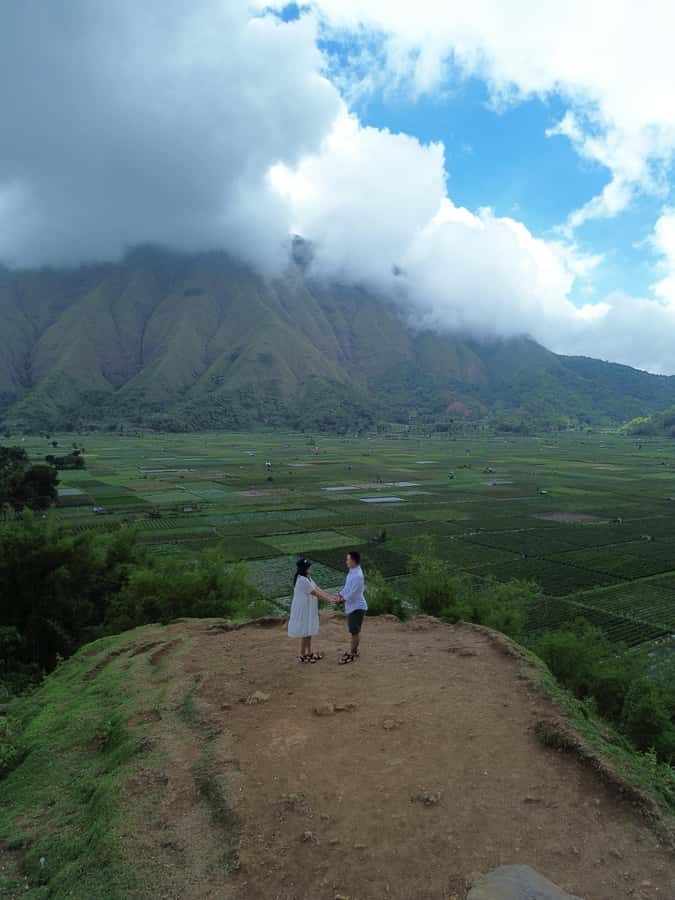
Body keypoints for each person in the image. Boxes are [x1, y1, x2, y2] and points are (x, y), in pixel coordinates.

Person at [288, 557, 338, 663]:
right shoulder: (302, 580)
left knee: (308, 630)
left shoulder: (307, 578)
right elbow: (315, 593)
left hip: (308, 607)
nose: (310, 567)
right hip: (304, 608)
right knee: (305, 630)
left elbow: (317, 588)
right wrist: (330, 599)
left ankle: (309, 652)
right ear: (304, 568)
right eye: (308, 566)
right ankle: (302, 654)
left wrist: (330, 596)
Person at [337, 550, 367, 665]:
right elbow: (347, 587)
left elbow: (354, 593)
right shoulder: (352, 571)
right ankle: (353, 651)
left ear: (353, 561)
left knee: (355, 632)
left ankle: (353, 653)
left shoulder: (358, 575)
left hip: (357, 607)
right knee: (353, 631)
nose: (346, 562)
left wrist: (342, 599)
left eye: (348, 559)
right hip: (353, 606)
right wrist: (340, 594)